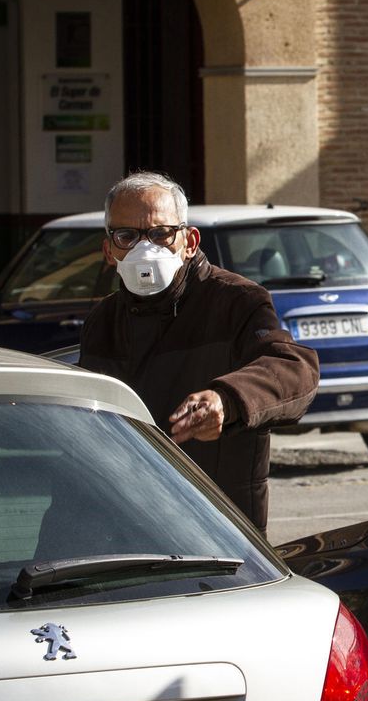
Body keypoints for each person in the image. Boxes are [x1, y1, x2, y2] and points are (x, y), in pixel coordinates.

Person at [78, 171, 320, 533]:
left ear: (189, 241)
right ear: (109, 251)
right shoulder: (102, 320)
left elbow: (293, 368)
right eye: (127, 236)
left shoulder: (237, 302)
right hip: (123, 522)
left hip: (217, 529)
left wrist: (228, 400)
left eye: (161, 233)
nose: (146, 249)